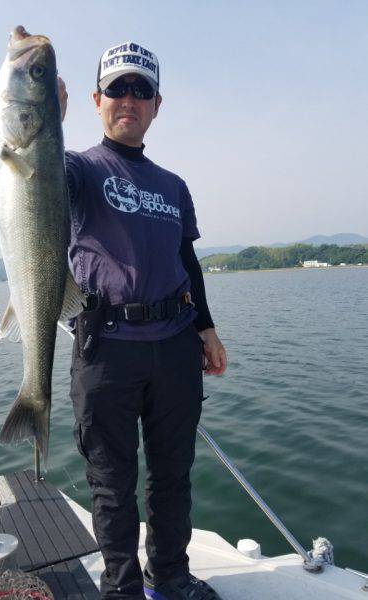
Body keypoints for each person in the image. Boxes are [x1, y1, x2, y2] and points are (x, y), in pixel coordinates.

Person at [61, 42, 227, 600]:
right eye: (117, 88)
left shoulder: (173, 185)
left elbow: (187, 261)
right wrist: (43, 124)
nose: (128, 98)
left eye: (141, 90)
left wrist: (206, 328)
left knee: (173, 476)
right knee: (112, 488)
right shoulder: (79, 169)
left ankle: (170, 576)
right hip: (105, 348)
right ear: (96, 100)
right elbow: (34, 182)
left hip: (176, 344)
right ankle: (123, 590)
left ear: (158, 104)